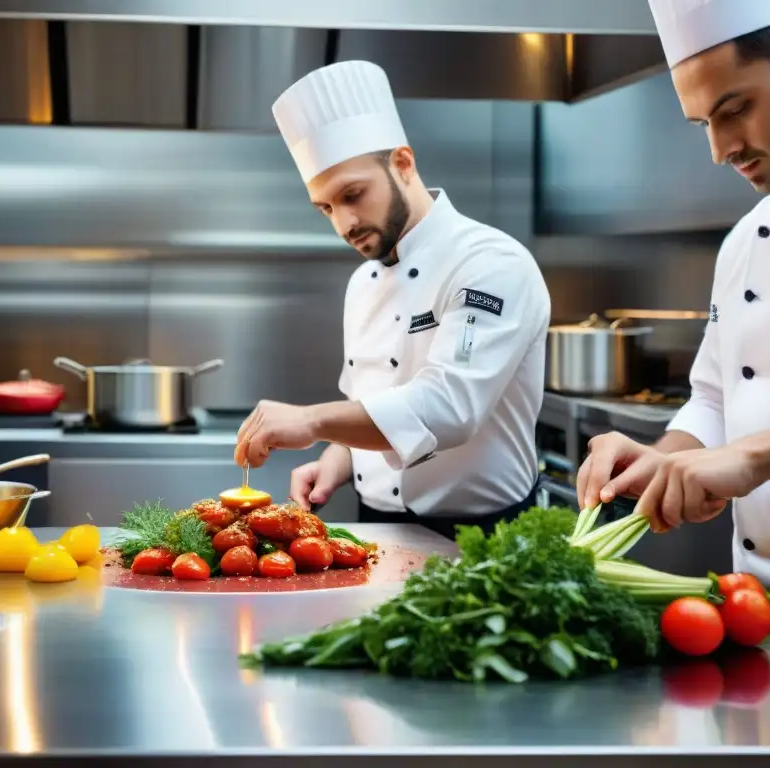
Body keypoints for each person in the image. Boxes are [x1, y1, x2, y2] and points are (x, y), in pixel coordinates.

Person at [578, 0, 770, 600]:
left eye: (735, 110)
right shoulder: (746, 237)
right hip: (758, 602)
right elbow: (716, 398)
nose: (720, 150)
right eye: (703, 125)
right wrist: (661, 458)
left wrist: (750, 458)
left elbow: (742, 448)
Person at [232, 60, 550, 538]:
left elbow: (447, 408)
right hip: (376, 532)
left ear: (403, 164)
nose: (343, 224)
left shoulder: (491, 264)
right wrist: (339, 456)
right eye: (326, 208)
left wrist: (313, 421)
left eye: (353, 194)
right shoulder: (363, 282)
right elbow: (371, 401)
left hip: (483, 538)